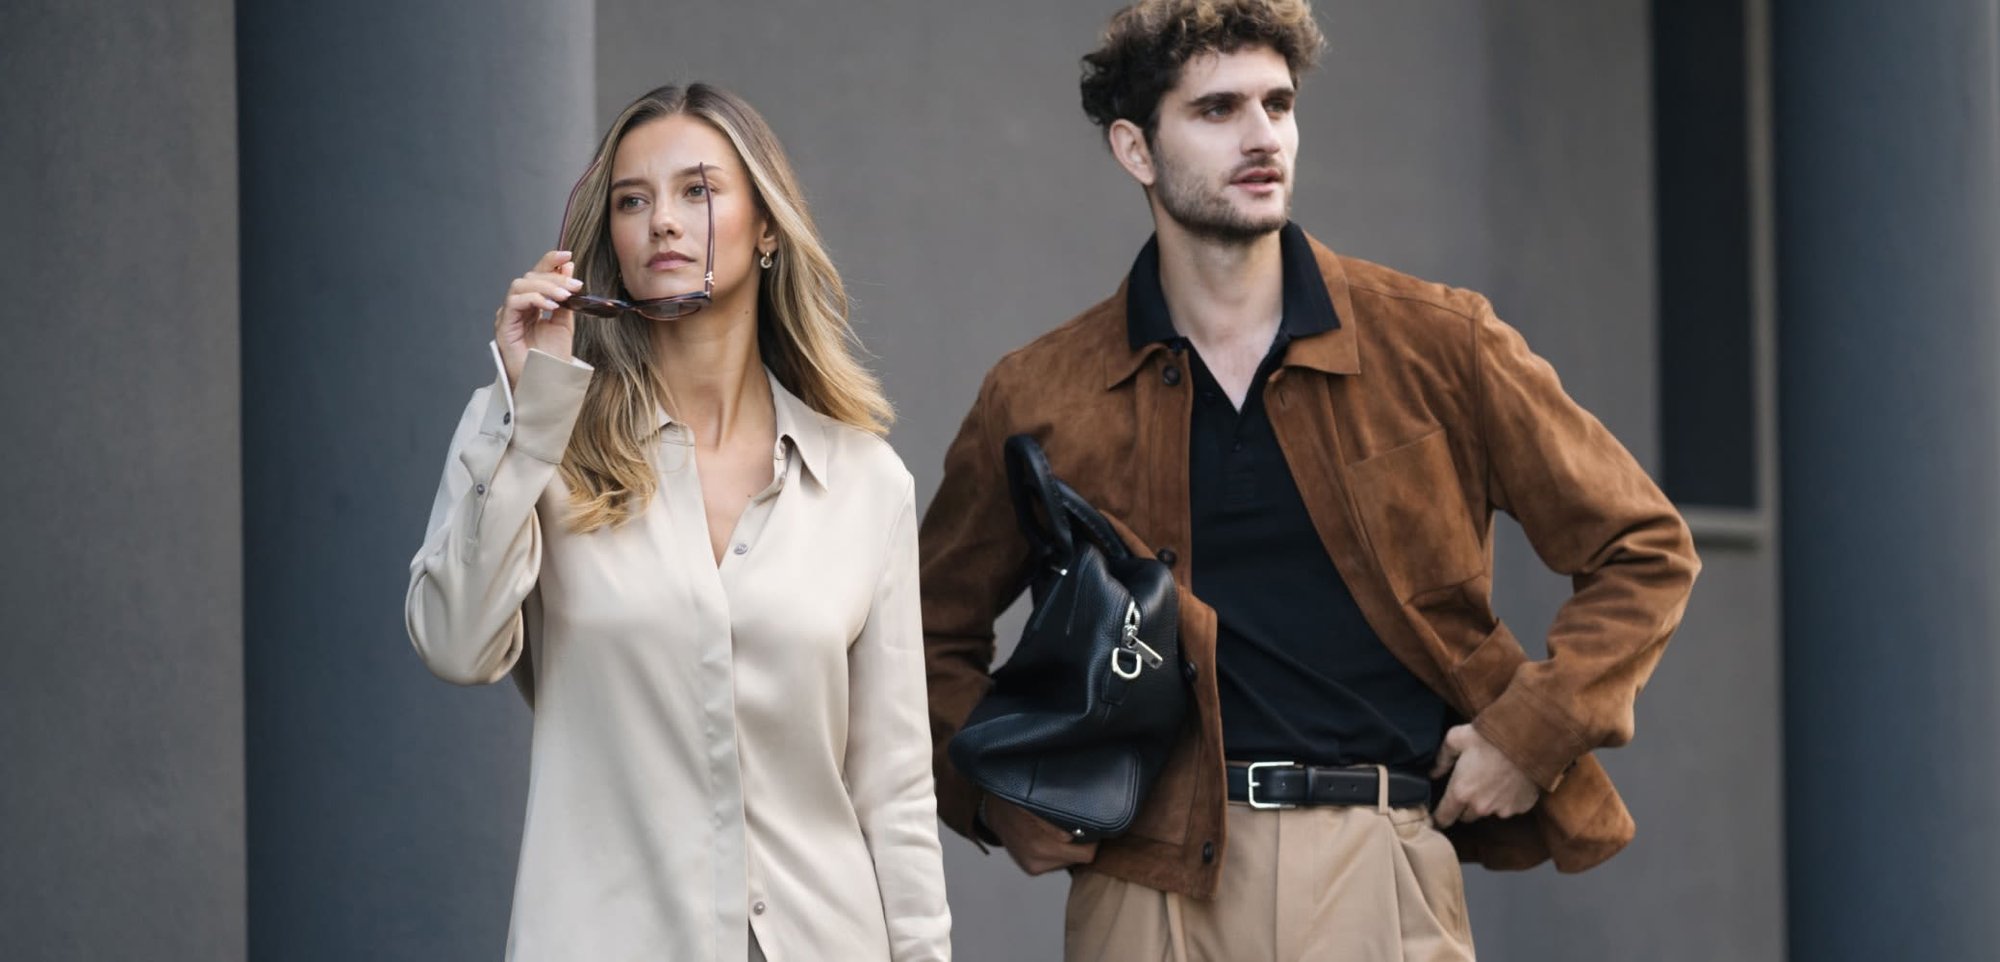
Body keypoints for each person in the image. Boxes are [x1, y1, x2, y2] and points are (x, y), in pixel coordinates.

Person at [919, 2, 1700, 959]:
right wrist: (998, 797)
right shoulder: (1041, 393)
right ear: (1136, 148)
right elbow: (918, 634)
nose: (1261, 137)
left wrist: (1529, 732)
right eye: (1216, 111)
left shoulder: (1438, 344)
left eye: (1278, 104)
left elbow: (1644, 548)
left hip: (1377, 862)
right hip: (1147, 881)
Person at [405, 83, 950, 962]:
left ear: (766, 227)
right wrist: (530, 408)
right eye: (632, 200)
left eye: (698, 190)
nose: (662, 220)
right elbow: (454, 642)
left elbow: (893, 791)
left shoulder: (864, 482)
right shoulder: (540, 441)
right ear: (609, 246)